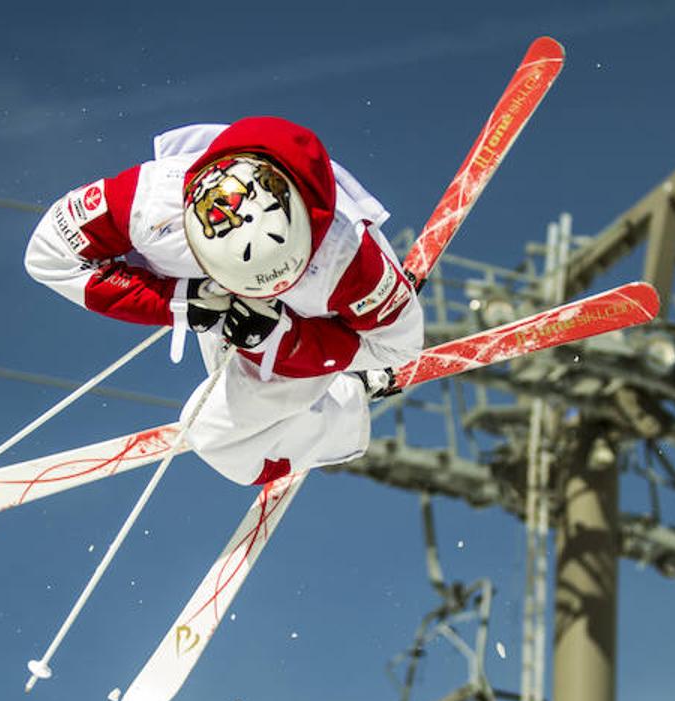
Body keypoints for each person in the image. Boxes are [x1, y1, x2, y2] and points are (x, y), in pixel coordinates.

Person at [24, 116, 423, 485]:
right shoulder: (153, 203)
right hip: (210, 292)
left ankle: (342, 411)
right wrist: (182, 302)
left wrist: (284, 337)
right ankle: (296, 393)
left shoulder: (348, 258)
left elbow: (400, 347)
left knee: (215, 441)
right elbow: (48, 255)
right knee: (222, 432)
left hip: (314, 318)